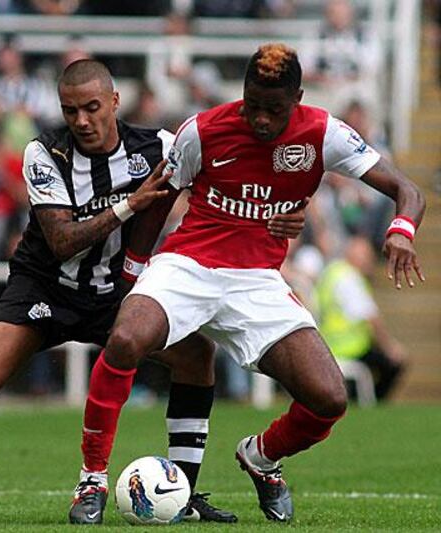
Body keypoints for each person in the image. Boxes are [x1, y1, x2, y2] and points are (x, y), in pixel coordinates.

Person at [0, 58, 306, 523]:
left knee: (195, 358)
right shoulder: (45, 153)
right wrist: (128, 206)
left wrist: (278, 214)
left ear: (115, 102)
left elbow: (229, 182)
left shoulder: (158, 146)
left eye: (92, 107)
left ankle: (180, 494)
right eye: (70, 110)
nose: (81, 120)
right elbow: (61, 242)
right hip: (45, 290)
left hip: (118, 293)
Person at [80, 43, 425, 522]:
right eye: (252, 105)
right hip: (189, 264)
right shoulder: (202, 130)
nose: (261, 119)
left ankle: (261, 457)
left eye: (274, 110)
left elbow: (407, 191)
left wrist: (401, 231)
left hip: (258, 281)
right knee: (125, 338)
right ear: (241, 92)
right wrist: (133, 273)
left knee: (329, 399)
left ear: (298, 98)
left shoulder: (325, 134)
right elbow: (160, 200)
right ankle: (91, 482)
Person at [315, 235, 407, 401]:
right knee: (393, 364)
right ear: (353, 256)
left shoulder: (332, 272)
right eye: (366, 256)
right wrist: (389, 347)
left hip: (328, 344)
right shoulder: (350, 278)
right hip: (350, 348)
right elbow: (370, 317)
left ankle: (359, 399)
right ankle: (370, 403)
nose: (369, 261)